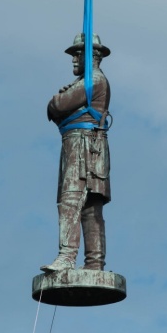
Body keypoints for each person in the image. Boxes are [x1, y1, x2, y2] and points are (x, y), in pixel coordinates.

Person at [41, 33, 111, 273]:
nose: (73, 59)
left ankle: (67, 257)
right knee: (90, 208)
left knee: (71, 201)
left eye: (77, 54)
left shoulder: (93, 81)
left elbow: (57, 107)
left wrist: (56, 101)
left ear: (92, 57)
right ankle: (94, 264)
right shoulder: (88, 82)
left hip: (83, 146)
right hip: (87, 145)